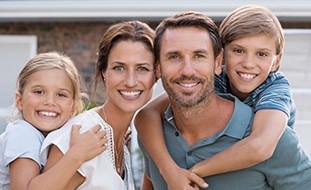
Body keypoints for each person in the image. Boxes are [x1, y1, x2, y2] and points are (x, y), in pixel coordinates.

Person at [138, 11, 311, 190]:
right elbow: (145, 114)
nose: (188, 71)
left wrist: (194, 172)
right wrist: (169, 171)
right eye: (174, 56)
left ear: (216, 61)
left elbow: (260, 146)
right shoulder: (155, 134)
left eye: (199, 55)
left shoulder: (273, 125)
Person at [40, 20, 156, 189]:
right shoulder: (84, 132)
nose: (131, 81)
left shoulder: (124, 142)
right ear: (104, 72)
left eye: (142, 68)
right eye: (119, 68)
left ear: (157, 74)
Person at [0, 52, 107, 190]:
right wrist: (77, 154)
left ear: (73, 107)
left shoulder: (52, 140)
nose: (50, 102)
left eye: (61, 95)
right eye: (39, 92)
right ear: (20, 101)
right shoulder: (23, 133)